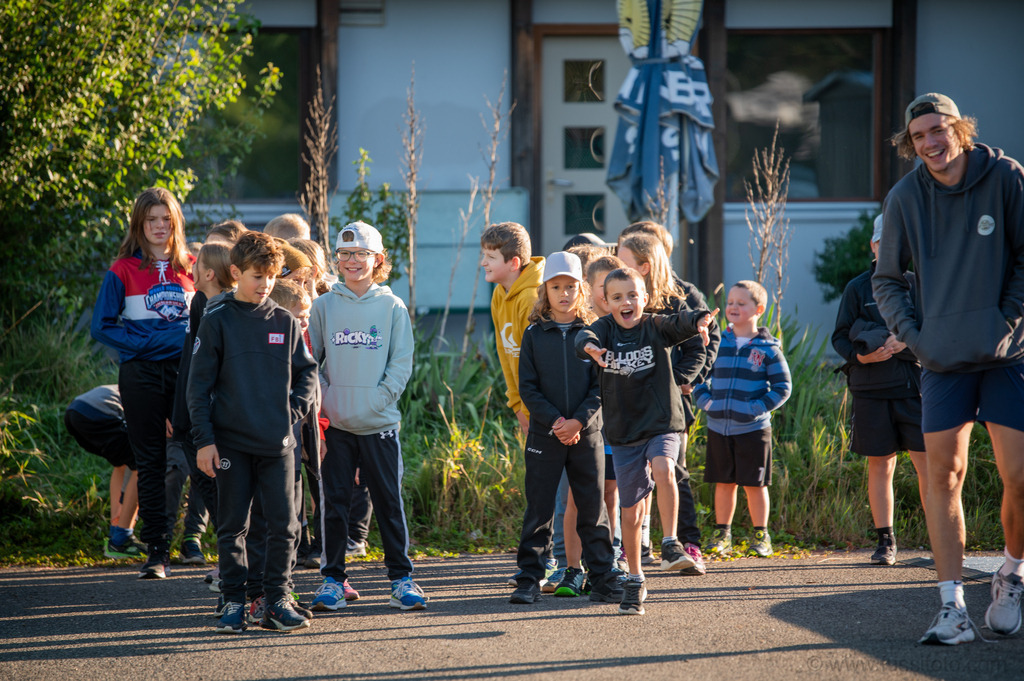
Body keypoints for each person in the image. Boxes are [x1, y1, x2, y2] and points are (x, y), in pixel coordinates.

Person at [873, 92, 1024, 644]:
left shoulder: (1006, 178)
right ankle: (953, 608)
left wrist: (1008, 321)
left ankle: (1011, 572)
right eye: (918, 136)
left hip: (1008, 355)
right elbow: (886, 278)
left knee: (1019, 477)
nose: (930, 143)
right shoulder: (905, 197)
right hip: (941, 360)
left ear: (960, 129)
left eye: (939, 130)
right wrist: (916, 337)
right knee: (943, 477)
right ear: (910, 145)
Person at [189, 232, 318, 633]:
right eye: (256, 276)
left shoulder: (283, 319)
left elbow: (308, 374)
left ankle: (277, 600)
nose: (264, 284)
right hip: (230, 444)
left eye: (271, 276)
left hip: (278, 443)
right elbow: (198, 387)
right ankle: (232, 601)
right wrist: (205, 441)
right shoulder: (217, 319)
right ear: (235, 272)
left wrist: (289, 414)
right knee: (232, 526)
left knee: (285, 525)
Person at [576, 267, 716, 615]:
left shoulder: (654, 326)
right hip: (624, 432)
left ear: (645, 299)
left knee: (664, 467)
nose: (627, 302)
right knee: (632, 509)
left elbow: (681, 322)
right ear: (606, 302)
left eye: (633, 295)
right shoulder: (603, 329)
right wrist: (592, 348)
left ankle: (670, 542)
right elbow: (582, 339)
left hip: (662, 422)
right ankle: (635, 579)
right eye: (618, 297)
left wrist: (700, 319)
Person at [307, 221, 426, 612]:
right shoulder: (324, 305)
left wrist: (378, 400)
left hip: (379, 425)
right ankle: (332, 580)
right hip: (337, 425)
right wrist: (328, 402)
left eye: (361, 254)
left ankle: (401, 580)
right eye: (344, 255)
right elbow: (314, 363)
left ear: (378, 260)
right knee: (335, 503)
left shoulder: (392, 306)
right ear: (336, 260)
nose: (352, 261)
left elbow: (401, 363)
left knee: (389, 502)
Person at [91, 187, 196, 579]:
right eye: (151, 219)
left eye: (165, 219)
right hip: (140, 374)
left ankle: (215, 545)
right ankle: (157, 553)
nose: (159, 226)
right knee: (150, 460)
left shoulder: (192, 266)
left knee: (198, 452)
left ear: (175, 223)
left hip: (186, 373)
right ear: (139, 223)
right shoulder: (122, 270)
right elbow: (101, 326)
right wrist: (140, 343)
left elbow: (209, 316)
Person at [510, 251, 624, 605]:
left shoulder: (595, 333)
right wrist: (557, 422)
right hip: (546, 434)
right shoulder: (533, 334)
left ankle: (603, 577)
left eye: (570, 287)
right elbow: (527, 387)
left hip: (586, 434)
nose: (563, 293)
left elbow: (602, 385)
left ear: (583, 290)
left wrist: (577, 421)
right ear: (545, 290)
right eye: (556, 286)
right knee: (539, 509)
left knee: (593, 508)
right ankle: (529, 578)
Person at [619, 221, 721, 576]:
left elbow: (706, 342)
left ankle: (684, 543)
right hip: (631, 404)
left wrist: (680, 382)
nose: (617, 265)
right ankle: (639, 545)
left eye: (623, 258)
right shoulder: (623, 298)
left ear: (644, 265)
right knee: (635, 476)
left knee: (672, 471)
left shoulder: (683, 295)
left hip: (672, 404)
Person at [831, 216, 928, 566]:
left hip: (913, 387)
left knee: (927, 465)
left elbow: (937, 334)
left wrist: (908, 343)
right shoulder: (857, 288)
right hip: (870, 389)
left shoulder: (920, 285)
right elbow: (840, 336)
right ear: (873, 246)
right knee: (880, 465)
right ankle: (885, 541)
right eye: (882, 242)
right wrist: (862, 355)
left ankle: (940, 539)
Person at [479, 222, 560, 586]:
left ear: (514, 262)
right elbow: (505, 353)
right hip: (529, 407)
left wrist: (538, 410)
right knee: (540, 487)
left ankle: (557, 562)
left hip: (553, 408)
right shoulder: (500, 293)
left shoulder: (532, 298)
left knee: (559, 488)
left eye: (490, 257)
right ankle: (542, 562)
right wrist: (517, 406)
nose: (482, 262)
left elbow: (543, 364)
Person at [693, 281, 791, 559]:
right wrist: (706, 402)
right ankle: (722, 534)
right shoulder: (717, 342)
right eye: (730, 302)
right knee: (723, 483)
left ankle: (761, 536)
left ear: (758, 309)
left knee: (754, 485)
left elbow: (784, 387)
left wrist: (757, 408)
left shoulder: (768, 348)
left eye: (741, 303)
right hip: (718, 427)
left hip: (753, 429)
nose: (733, 307)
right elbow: (699, 375)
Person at [64, 385, 144, 559]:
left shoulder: (134, 380)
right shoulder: (153, 388)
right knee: (144, 464)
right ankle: (122, 538)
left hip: (74, 411)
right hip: (99, 412)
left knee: (121, 464)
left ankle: (116, 529)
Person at [586, 255, 629, 569]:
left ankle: (614, 551)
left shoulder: (630, 325)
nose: (604, 295)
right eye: (599, 287)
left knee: (613, 488)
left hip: (621, 423)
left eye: (609, 288)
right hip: (588, 422)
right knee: (589, 491)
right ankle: (580, 557)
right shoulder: (585, 328)